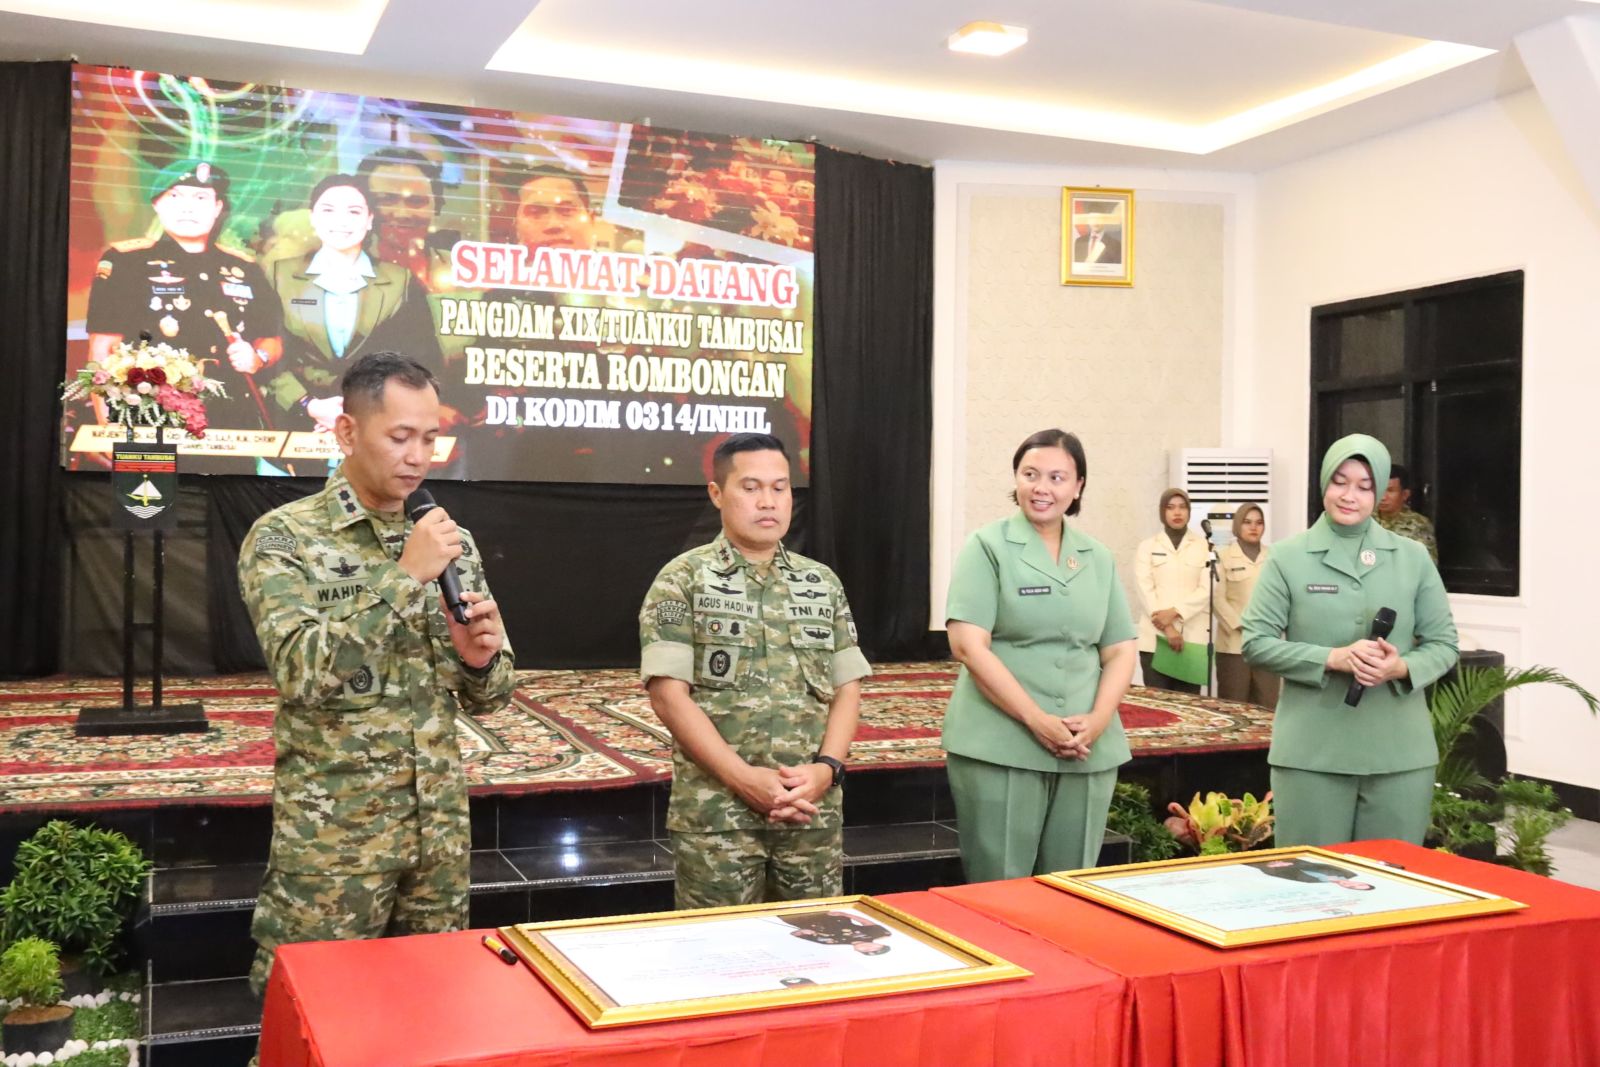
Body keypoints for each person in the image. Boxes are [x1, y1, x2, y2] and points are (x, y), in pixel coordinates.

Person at [237, 352, 514, 1003]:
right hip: (335, 844)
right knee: (312, 1015)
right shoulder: (285, 539)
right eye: (400, 436)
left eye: (429, 438)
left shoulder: (448, 540)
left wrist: (479, 659)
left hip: (437, 838)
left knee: (431, 1013)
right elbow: (301, 672)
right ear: (346, 431)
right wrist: (403, 577)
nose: (417, 457)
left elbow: (494, 693)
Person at [638, 432, 870, 908]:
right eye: (751, 487)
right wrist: (743, 778)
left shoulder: (821, 582)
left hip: (810, 813)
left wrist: (826, 769)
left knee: (816, 941)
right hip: (718, 817)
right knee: (718, 947)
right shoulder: (682, 579)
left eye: (780, 487)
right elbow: (668, 696)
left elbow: (847, 687)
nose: (768, 501)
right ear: (717, 493)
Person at [1242, 434, 1458, 847]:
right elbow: (1256, 643)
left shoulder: (1412, 557)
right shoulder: (1287, 557)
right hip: (1311, 753)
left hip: (1399, 755)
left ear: (1378, 493)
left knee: (1390, 877)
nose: (1349, 496)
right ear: (1324, 483)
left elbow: (1444, 644)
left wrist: (1400, 666)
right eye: (1339, 482)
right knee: (1310, 876)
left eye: (1364, 486)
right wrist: (1332, 658)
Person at [942, 429, 1137, 880]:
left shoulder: (1097, 557)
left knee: (1073, 888)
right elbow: (968, 645)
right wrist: (1035, 719)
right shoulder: (987, 546)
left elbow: (1120, 649)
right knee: (1001, 887)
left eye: (1056, 477)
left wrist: (1099, 720)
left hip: (1087, 747)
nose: (1041, 487)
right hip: (1001, 742)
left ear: (1078, 486)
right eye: (1030, 474)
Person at [85, 158, 285, 431]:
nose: (188, 207)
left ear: (217, 208)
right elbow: (104, 348)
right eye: (175, 196)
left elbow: (272, 338)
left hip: (233, 414)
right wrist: (108, 428)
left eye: (201, 198)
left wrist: (258, 358)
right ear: (157, 204)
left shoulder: (245, 268)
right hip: (153, 413)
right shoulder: (126, 261)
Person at [265, 174, 445, 432]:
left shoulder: (400, 282)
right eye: (328, 210)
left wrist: (366, 409)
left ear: (369, 219)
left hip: (375, 426)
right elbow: (264, 352)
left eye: (353, 211)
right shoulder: (278, 275)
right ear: (313, 217)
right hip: (293, 424)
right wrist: (308, 404)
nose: (341, 221)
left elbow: (421, 361)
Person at [1133, 488, 1210, 694]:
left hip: (1191, 639)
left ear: (1189, 512)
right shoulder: (1147, 546)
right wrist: (1168, 628)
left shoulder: (1204, 547)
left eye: (1182, 507)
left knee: (1190, 706)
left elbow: (1207, 589)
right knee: (1158, 705)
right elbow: (1144, 589)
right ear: (1162, 512)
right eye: (1171, 507)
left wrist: (1176, 612)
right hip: (1155, 639)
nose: (1177, 512)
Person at [1213, 502, 1281, 707]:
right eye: (1247, 522)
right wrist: (1242, 624)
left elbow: (1283, 596)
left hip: (1267, 642)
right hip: (1234, 644)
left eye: (1259, 523)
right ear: (1237, 525)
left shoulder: (1275, 556)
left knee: (1267, 706)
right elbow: (1216, 598)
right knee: (1234, 706)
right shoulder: (1222, 556)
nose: (1254, 527)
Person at [355, 148, 452, 289]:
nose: (402, 214)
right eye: (386, 200)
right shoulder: (344, 269)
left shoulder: (461, 269)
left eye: (417, 201)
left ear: (437, 206)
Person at [1375, 463, 1439, 563]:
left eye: (1390, 491)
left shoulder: (1418, 525)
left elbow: (1427, 565)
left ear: (1405, 494)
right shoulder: (1365, 519)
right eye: (1380, 490)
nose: (1383, 497)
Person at [779, 911, 891, 954]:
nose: (867, 947)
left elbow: (795, 935)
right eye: (874, 947)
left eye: (865, 950)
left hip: (799, 918)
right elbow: (867, 923)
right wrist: (845, 914)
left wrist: (801, 931)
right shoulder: (877, 934)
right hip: (827, 913)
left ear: (857, 950)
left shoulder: (830, 943)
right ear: (879, 944)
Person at [1243, 857, 1375, 890]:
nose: (1352, 885)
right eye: (1359, 884)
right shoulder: (1347, 872)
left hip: (1262, 864)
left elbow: (1277, 875)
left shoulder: (1312, 883)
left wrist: (1272, 866)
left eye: (1353, 888)